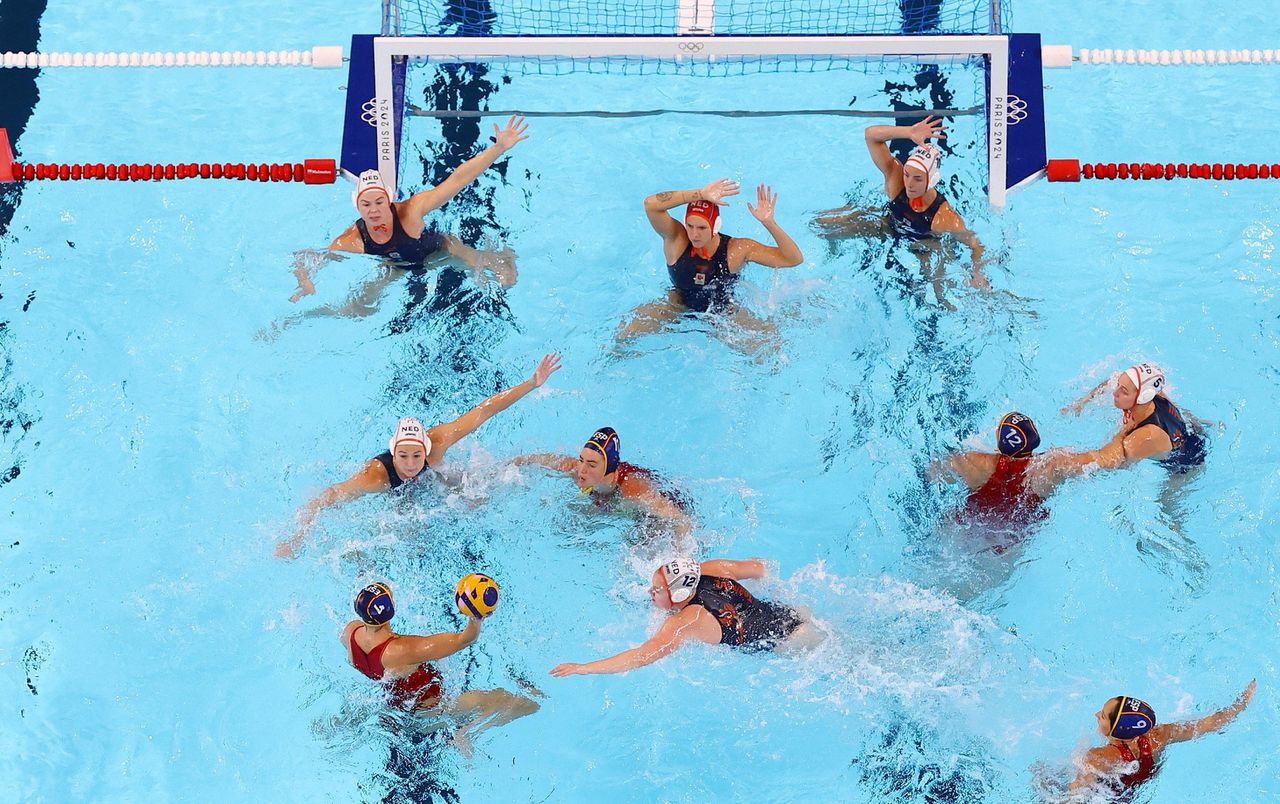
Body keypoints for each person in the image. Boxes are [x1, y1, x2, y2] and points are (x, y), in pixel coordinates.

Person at [275, 352, 561, 557]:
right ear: (393, 452)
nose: (411, 464)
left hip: (435, 480)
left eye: (416, 455)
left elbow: (484, 410)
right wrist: (296, 536)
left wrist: (532, 382)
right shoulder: (375, 475)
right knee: (407, 536)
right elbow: (326, 497)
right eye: (404, 456)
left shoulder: (437, 444)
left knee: (479, 495)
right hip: (397, 495)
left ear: (425, 449)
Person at [288, 115, 529, 311]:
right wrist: (305, 280)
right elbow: (305, 257)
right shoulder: (352, 239)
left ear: (389, 199)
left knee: (506, 279)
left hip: (441, 251)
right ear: (358, 207)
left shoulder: (411, 211)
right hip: (398, 266)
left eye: (379, 202)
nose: (374, 210)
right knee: (357, 311)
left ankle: (503, 253)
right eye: (366, 204)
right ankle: (295, 322)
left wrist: (498, 148)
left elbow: (457, 180)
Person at [342, 582, 539, 754]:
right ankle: (465, 735)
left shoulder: (350, 634)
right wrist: (476, 617)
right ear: (389, 610)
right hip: (432, 714)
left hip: (395, 710)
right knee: (516, 702)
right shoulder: (402, 650)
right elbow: (465, 640)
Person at [813, 115, 989, 305]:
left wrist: (977, 271)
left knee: (937, 299)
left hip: (922, 245)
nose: (909, 184)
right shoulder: (896, 180)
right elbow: (871, 135)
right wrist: (908, 132)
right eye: (907, 174)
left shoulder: (944, 219)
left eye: (918, 179)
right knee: (822, 225)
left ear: (932, 180)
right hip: (888, 224)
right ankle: (833, 250)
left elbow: (975, 245)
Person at [549, 558, 822, 677]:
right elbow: (762, 568)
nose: (649, 593)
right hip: (793, 612)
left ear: (679, 597)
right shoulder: (713, 569)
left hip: (792, 644)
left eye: (657, 590)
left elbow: (641, 656)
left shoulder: (687, 621)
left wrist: (581, 667)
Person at [619, 180, 804, 351]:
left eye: (701, 228)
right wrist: (699, 193)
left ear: (715, 226)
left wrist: (769, 223)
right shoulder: (677, 239)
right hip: (678, 304)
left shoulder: (736, 250)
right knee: (624, 333)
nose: (694, 234)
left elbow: (792, 259)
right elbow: (650, 205)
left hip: (724, 313)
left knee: (769, 349)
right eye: (690, 226)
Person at [930, 412, 1087, 551]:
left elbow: (932, 471)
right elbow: (1107, 459)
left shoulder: (973, 462)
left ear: (999, 438)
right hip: (1004, 548)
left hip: (959, 532)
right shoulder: (1046, 470)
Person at [1067, 680, 1255, 797]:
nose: (1096, 714)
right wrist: (1241, 704)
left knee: (1042, 774)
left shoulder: (1099, 757)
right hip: (1139, 792)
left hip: (1108, 796)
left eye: (1103, 716)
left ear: (1118, 731)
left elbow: (1074, 795)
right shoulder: (1160, 736)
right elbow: (1209, 724)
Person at [513, 427, 693, 542]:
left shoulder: (633, 489)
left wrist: (681, 556)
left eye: (591, 465)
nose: (581, 470)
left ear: (610, 471)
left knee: (638, 544)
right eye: (581, 460)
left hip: (662, 511)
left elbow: (681, 520)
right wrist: (512, 464)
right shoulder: (578, 470)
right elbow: (539, 459)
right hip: (614, 504)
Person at [1062, 363, 1208, 473]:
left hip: (1185, 466)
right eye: (1119, 386)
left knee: (1167, 508)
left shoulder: (1147, 436)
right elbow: (1112, 380)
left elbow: (1112, 463)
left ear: (1143, 396)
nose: (1115, 392)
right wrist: (1082, 402)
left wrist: (1059, 463)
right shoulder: (1155, 395)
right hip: (1184, 432)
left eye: (1123, 391)